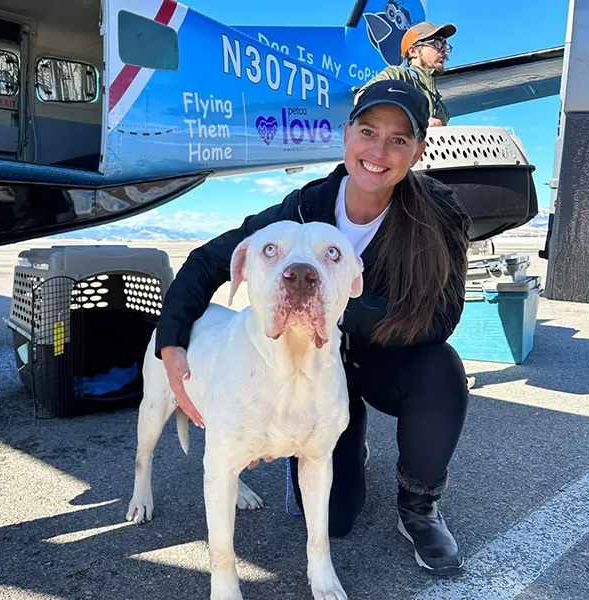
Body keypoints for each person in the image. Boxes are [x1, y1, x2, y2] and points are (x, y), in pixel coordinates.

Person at [156, 79, 471, 576]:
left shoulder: (438, 212)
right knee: (335, 518)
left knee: (442, 372)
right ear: (346, 135)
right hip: (309, 371)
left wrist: (335, 308)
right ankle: (343, 439)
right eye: (367, 131)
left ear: (417, 150)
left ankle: (419, 507)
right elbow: (206, 262)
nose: (378, 150)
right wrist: (171, 341)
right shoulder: (304, 208)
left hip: (383, 356)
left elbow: (443, 315)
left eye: (398, 139)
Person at [356, 21, 457, 127]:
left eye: (445, 44)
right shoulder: (397, 75)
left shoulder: (441, 108)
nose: (444, 49)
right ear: (413, 51)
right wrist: (417, 120)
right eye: (437, 43)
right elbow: (363, 96)